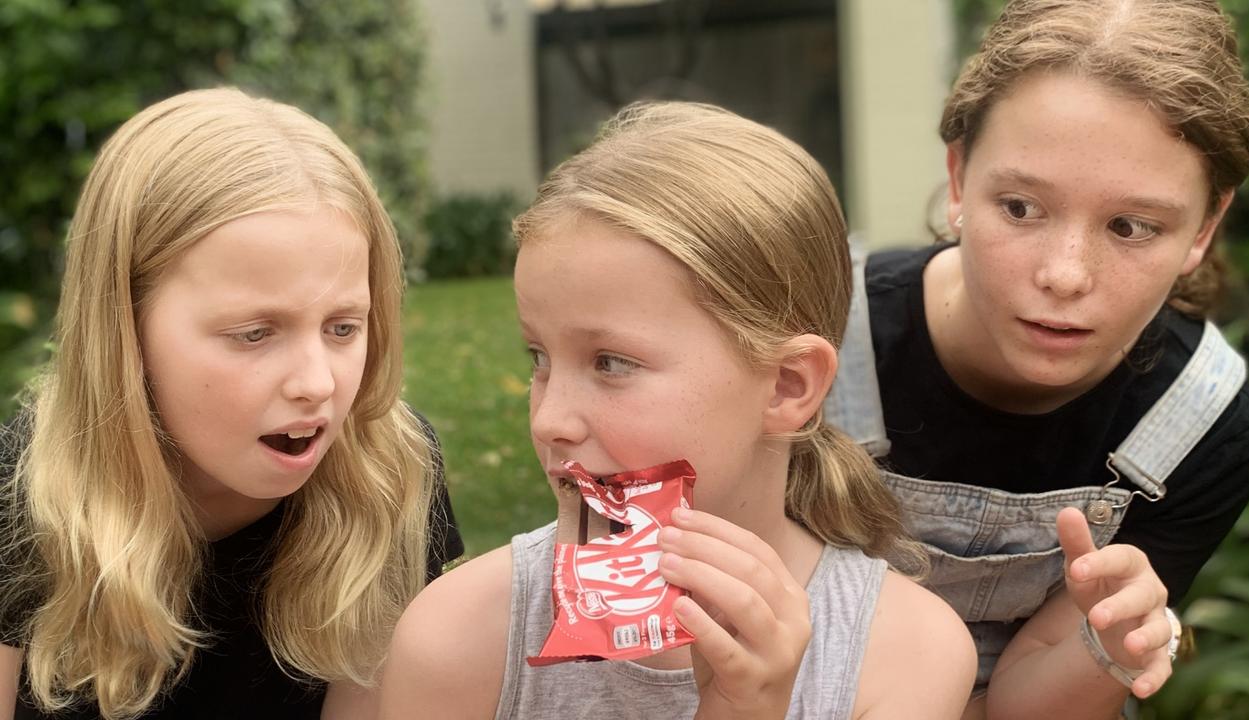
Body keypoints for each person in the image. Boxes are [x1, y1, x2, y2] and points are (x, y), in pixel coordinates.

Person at [379, 101, 977, 720]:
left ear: (786, 387)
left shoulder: (902, 655)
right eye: (540, 357)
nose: (548, 420)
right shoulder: (458, 639)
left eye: (612, 363)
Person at [823, 1, 1249, 718]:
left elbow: (1026, 704)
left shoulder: (1205, 424)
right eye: (1023, 208)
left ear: (1204, 228)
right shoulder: (811, 337)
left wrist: (1107, 650)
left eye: (1130, 226)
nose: (1065, 274)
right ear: (961, 176)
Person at [0, 88, 464, 720]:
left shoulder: (389, 472)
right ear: (123, 330)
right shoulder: (22, 491)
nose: (316, 383)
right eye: (254, 333)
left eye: (343, 327)